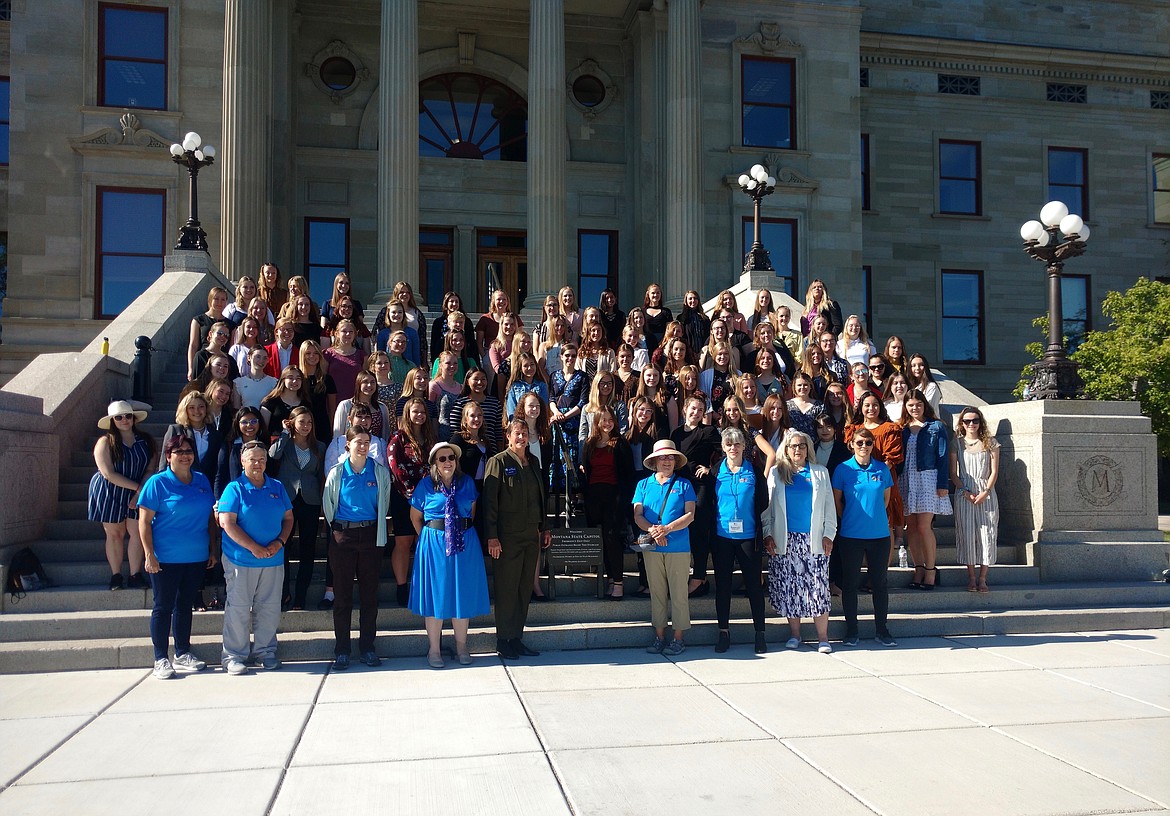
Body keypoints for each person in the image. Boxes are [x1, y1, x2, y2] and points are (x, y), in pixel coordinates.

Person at [137, 435, 218, 679]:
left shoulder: (202, 480)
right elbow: (144, 522)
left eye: (188, 451)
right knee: (163, 607)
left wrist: (212, 549)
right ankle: (160, 657)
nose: (185, 455)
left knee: (185, 605)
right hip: (166, 558)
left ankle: (182, 652)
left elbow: (209, 519)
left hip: (196, 555)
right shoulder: (157, 483)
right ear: (168, 455)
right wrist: (149, 554)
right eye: (179, 451)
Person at [409, 441, 491, 668]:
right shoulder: (425, 485)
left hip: (465, 544)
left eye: (451, 458)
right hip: (434, 545)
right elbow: (415, 517)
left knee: (461, 594)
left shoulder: (466, 484)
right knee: (437, 595)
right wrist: (431, 537)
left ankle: (461, 646)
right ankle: (434, 650)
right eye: (442, 458)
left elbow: (471, 514)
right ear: (435, 462)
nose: (447, 462)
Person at [216, 441, 293, 674]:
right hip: (241, 559)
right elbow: (226, 522)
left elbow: (288, 518)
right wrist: (253, 547)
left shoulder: (277, 486)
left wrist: (279, 542)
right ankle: (233, 657)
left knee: (269, 608)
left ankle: (265, 652)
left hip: (272, 559)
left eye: (261, 459)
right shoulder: (234, 488)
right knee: (238, 608)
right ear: (242, 461)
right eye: (252, 459)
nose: (257, 464)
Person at [322, 428, 392, 670]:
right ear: (347, 445)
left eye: (366, 442)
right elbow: (328, 505)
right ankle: (342, 649)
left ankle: (367, 648)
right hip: (344, 535)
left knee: (369, 596)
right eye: (357, 442)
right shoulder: (338, 472)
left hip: (371, 535)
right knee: (342, 596)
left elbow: (383, 503)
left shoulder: (379, 472)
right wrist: (339, 531)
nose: (362, 446)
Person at [765, 429, 838, 653]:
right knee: (790, 588)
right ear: (786, 450)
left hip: (813, 539)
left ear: (808, 449)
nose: (798, 450)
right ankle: (795, 635)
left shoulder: (820, 473)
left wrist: (829, 534)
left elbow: (829, 508)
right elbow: (767, 508)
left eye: (802, 446)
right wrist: (767, 533)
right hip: (785, 540)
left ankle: (823, 638)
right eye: (793, 446)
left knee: (818, 588)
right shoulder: (777, 473)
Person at [483, 420, 551, 657]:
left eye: (524, 433)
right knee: (507, 588)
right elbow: (490, 503)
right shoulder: (498, 462)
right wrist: (492, 537)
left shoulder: (533, 462)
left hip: (531, 535)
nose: (521, 437)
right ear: (508, 436)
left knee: (523, 588)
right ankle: (503, 640)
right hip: (507, 537)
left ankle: (516, 637)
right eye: (517, 434)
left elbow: (541, 497)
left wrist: (545, 527)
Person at [832, 428, 897, 647]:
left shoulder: (882, 468)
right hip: (851, 535)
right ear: (851, 444)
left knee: (879, 583)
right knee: (850, 583)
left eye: (868, 442)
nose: (864, 446)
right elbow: (837, 502)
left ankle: (882, 629)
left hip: (879, 535)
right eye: (860, 442)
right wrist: (852, 518)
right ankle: (852, 630)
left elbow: (886, 498)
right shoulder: (843, 470)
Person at [634, 439, 696, 656]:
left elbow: (690, 514)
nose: (667, 461)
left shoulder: (684, 485)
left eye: (670, 457)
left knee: (679, 594)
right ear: (655, 461)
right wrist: (654, 531)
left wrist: (666, 529)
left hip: (678, 547)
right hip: (653, 547)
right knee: (657, 593)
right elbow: (637, 515)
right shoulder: (643, 485)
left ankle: (678, 639)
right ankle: (660, 636)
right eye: (663, 457)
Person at [710, 427, 769, 653]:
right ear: (723, 448)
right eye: (729, 444)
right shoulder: (716, 472)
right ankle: (723, 632)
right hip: (722, 536)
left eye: (737, 444)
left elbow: (763, 501)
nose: (733, 448)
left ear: (744, 446)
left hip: (748, 538)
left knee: (754, 586)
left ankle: (760, 634)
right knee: (723, 586)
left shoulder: (754, 470)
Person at [89, 400, 155, 590]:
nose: (124, 420)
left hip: (138, 489)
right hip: (110, 490)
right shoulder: (105, 442)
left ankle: (135, 574)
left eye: (127, 416)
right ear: (112, 420)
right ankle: (116, 575)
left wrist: (140, 490)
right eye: (119, 417)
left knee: (137, 532)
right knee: (115, 534)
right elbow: (108, 473)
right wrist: (137, 488)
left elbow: (150, 468)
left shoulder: (146, 440)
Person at [268, 406, 327, 610]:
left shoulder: (319, 446)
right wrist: (285, 433)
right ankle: (284, 593)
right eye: (301, 422)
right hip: (286, 499)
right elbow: (273, 456)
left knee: (308, 548)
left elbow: (320, 475)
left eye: (309, 422)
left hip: (310, 500)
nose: (306, 426)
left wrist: (322, 502)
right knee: (283, 546)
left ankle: (300, 596)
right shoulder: (285, 443)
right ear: (292, 422)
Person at [898, 390, 953, 590]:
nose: (915, 408)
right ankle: (918, 568)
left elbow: (942, 456)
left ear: (924, 405)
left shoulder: (936, 427)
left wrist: (943, 484)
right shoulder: (902, 428)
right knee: (910, 527)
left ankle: (931, 570)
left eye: (918, 404)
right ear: (905, 406)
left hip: (928, 477)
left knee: (923, 526)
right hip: (907, 478)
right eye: (911, 405)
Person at [581, 406, 636, 600]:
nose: (607, 423)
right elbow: (585, 472)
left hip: (615, 496)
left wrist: (626, 500)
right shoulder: (590, 444)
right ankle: (610, 579)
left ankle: (619, 583)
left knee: (612, 537)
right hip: (594, 497)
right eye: (603, 420)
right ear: (596, 422)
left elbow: (628, 473)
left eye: (610, 420)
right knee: (602, 539)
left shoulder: (620, 443)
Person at [671, 396, 720, 597]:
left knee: (699, 530)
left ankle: (699, 576)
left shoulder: (708, 431)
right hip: (679, 485)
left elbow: (725, 453)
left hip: (699, 486)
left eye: (700, 410)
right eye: (693, 408)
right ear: (684, 409)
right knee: (683, 530)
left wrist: (710, 469)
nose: (696, 412)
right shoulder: (676, 434)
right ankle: (687, 573)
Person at [388, 397, 435, 606]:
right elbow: (396, 468)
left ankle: (423, 584)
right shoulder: (397, 438)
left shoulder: (430, 438)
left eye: (423, 412)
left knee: (424, 542)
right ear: (407, 414)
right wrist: (413, 497)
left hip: (430, 500)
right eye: (415, 412)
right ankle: (401, 587)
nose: (419, 415)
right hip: (403, 497)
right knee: (404, 542)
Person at [950, 406, 1000, 593]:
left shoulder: (991, 443)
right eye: (967, 421)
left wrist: (986, 491)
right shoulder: (957, 443)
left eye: (975, 420)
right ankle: (971, 578)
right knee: (967, 534)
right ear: (962, 423)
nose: (971, 424)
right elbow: (953, 473)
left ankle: (983, 578)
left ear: (981, 422)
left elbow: (994, 471)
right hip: (965, 491)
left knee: (987, 534)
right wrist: (964, 491)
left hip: (986, 492)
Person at [187, 287, 229, 381]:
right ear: (210, 299)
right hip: (203, 358)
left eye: (223, 299)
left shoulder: (230, 324)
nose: (219, 302)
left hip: (222, 362)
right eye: (216, 299)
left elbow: (230, 347)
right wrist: (190, 368)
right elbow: (193, 345)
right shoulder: (198, 320)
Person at [642, 283, 673, 351]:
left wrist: (662, 343)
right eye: (653, 293)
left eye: (658, 293)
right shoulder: (642, 311)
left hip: (662, 344)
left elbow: (669, 330)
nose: (655, 295)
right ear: (648, 294)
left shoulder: (666, 312)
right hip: (646, 344)